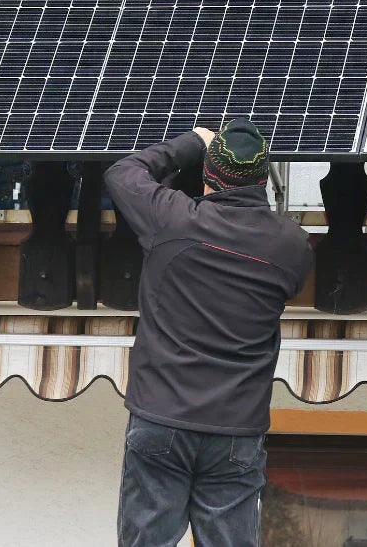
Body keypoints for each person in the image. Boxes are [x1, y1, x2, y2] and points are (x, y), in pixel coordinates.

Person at [106, 118, 314, 547]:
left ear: (208, 176)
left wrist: (190, 143)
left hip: (162, 415)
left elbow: (122, 173)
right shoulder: (292, 244)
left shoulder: (174, 220)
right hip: (237, 429)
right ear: (263, 180)